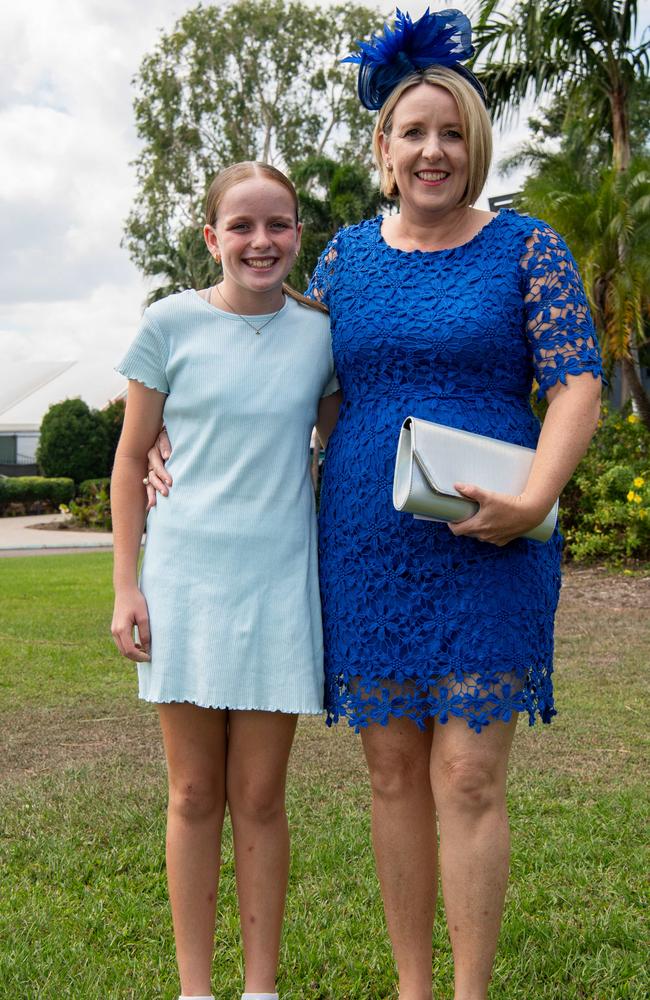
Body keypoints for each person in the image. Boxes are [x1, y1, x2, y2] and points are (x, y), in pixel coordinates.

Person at [146, 9, 604, 999]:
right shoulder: (344, 262)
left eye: (450, 132)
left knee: (468, 776)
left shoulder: (527, 247)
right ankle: (410, 987)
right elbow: (270, 367)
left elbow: (575, 382)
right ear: (382, 150)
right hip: (361, 544)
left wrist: (534, 497)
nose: (431, 149)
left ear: (472, 145)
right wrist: (169, 443)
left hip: (493, 533)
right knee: (391, 773)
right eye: (412, 133)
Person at [110, 161, 339, 1000]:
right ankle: (196, 989)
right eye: (240, 226)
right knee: (195, 791)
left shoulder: (321, 335)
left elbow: (338, 433)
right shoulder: (166, 325)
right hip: (184, 585)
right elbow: (133, 457)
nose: (260, 240)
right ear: (211, 238)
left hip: (279, 587)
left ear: (297, 236)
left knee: (261, 796)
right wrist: (126, 588)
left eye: (277, 224)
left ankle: (262, 989)